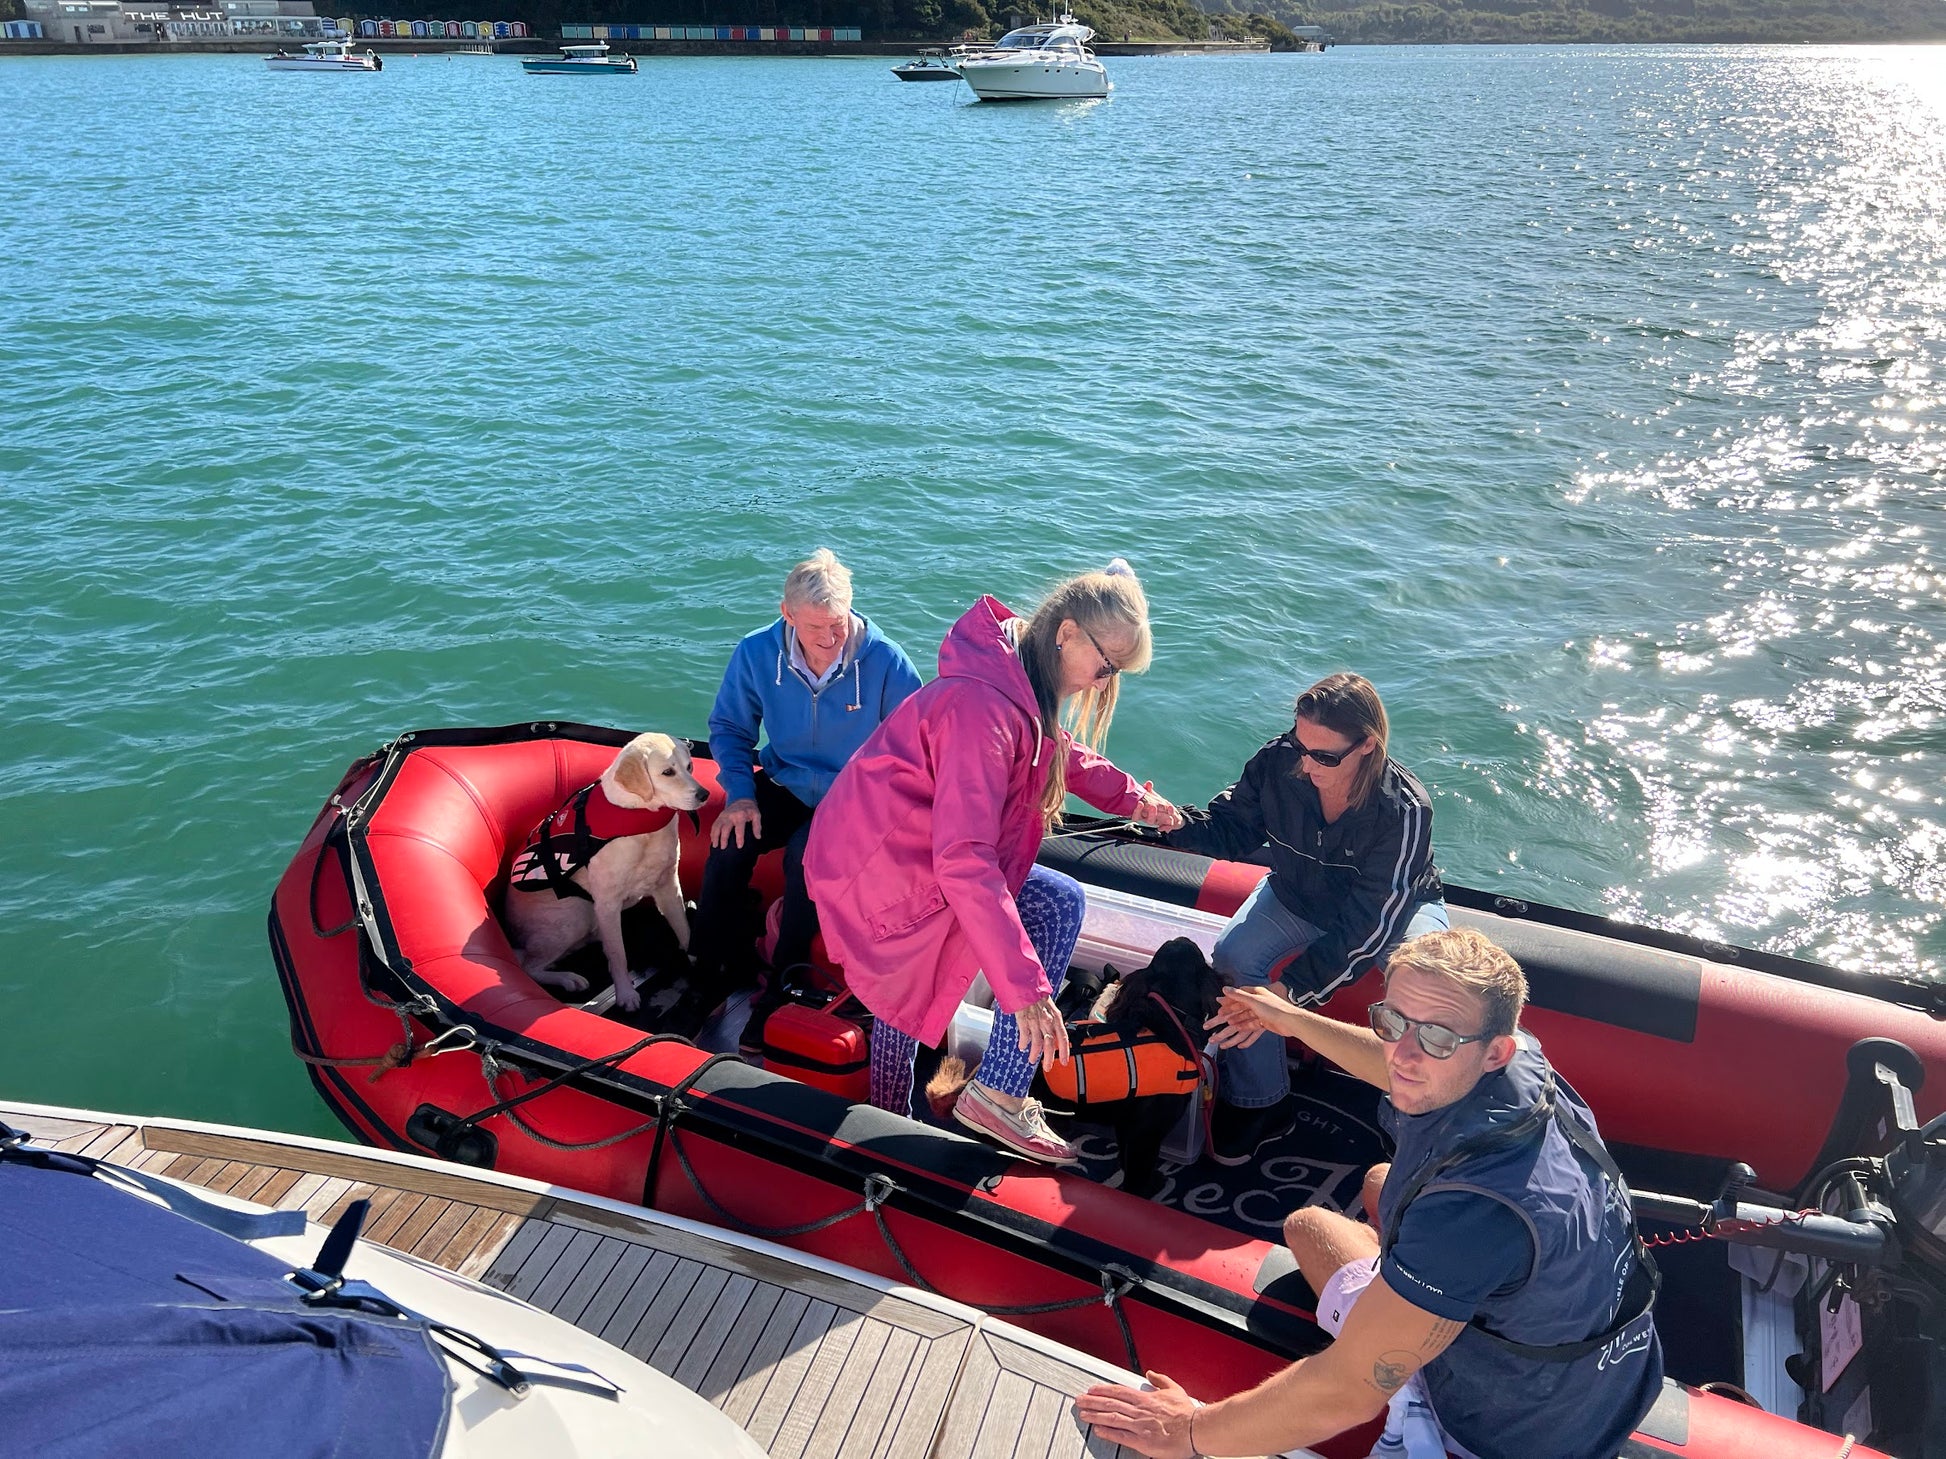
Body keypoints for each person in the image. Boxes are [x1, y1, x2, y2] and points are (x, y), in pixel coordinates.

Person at [1077, 928, 1664, 1459]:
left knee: (1314, 1230)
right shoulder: (1519, 1061)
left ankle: (1413, 1310)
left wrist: (1188, 1431)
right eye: (1393, 1022)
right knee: (1375, 1186)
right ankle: (1420, 1292)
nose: (1404, 1053)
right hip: (1602, 1373)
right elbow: (1398, 1063)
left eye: (1436, 1037)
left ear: (1495, 1051)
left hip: (1503, 1431)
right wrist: (1289, 1019)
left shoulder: (1471, 1214)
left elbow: (1351, 1389)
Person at [803, 561, 1184, 1163]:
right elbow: (964, 858)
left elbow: (1056, 751)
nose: (1104, 682)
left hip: (916, 859)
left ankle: (990, 1095)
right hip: (884, 873)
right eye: (1107, 665)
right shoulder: (983, 707)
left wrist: (1131, 797)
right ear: (1067, 634)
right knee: (910, 988)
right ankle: (891, 1122)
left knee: (1052, 903)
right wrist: (1025, 992)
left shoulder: (1016, 678)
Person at [1164, 672, 1445, 1165]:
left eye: (1324, 756)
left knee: (1431, 985)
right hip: (1297, 893)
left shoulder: (1405, 809)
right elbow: (1232, 829)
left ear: (1367, 745)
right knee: (1233, 956)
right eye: (1300, 745)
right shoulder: (1278, 761)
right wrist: (1174, 823)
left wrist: (1290, 993)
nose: (1306, 763)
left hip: (1395, 910)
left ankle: (1410, 1119)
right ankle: (1261, 1102)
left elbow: (1370, 922)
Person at [680, 549, 923, 1034]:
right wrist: (741, 794)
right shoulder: (756, 652)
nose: (830, 638)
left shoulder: (887, 661)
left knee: (804, 856)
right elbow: (729, 728)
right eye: (816, 627)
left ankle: (779, 989)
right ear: (787, 614)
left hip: (853, 795)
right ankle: (707, 972)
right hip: (786, 778)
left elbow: (916, 750)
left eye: (838, 624)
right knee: (729, 844)